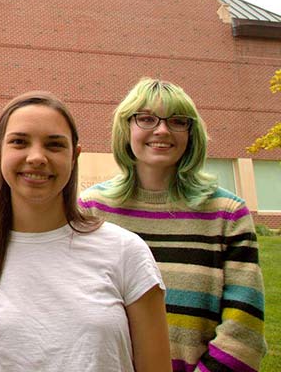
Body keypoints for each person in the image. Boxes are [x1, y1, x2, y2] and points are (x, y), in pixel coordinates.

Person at [0, 92, 171, 371]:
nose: (37, 157)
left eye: (54, 145)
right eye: (19, 142)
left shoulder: (125, 252)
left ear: (74, 156)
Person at [80, 78, 267, 371]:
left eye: (178, 121)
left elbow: (244, 331)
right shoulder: (91, 209)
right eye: (146, 119)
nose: (162, 130)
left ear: (191, 134)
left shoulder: (227, 215)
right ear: (125, 128)